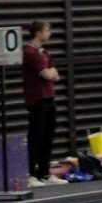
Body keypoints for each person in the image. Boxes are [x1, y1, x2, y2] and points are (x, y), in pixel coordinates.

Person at [22, 20, 65, 187]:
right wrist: (50, 73)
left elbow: (55, 74)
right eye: (47, 30)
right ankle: (31, 174)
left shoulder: (45, 53)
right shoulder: (30, 53)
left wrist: (51, 73)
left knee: (48, 137)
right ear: (38, 33)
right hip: (37, 99)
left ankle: (45, 173)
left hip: (49, 97)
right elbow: (47, 75)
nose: (49, 33)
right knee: (36, 137)